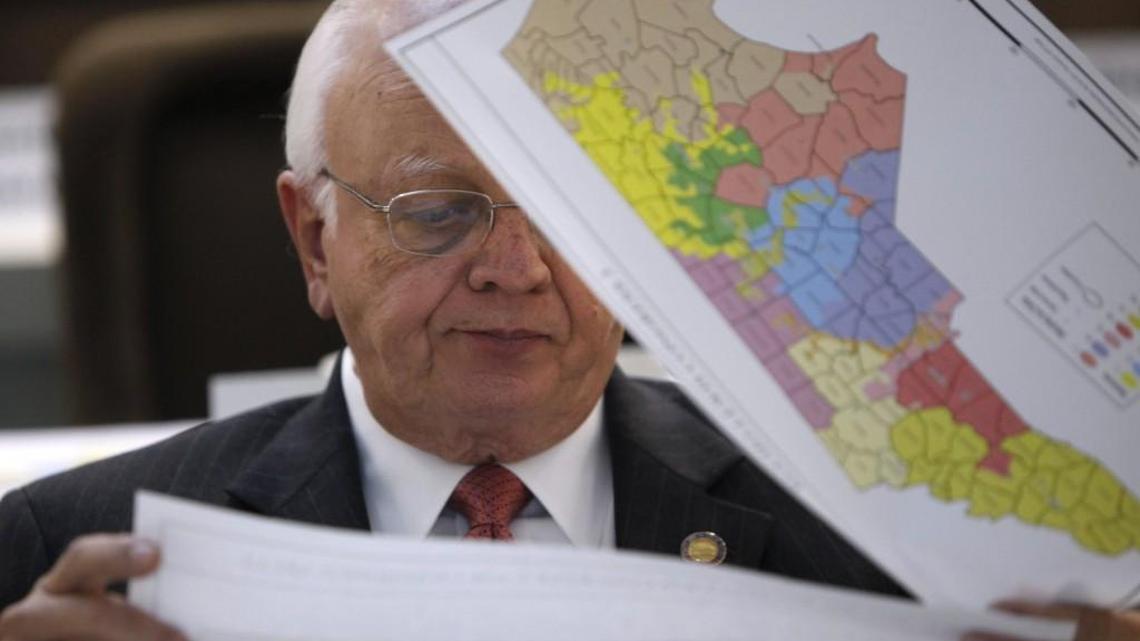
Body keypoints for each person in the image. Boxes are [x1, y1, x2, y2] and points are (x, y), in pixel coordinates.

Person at [0, 1, 1135, 639]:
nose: (517, 269)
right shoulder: (62, 559)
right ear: (313, 240)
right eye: (439, 213)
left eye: (579, 217)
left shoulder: (889, 551)